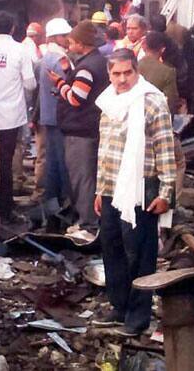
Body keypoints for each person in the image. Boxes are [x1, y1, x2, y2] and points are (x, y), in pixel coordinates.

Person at [92, 48, 176, 337]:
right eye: (116, 74)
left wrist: (166, 192)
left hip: (141, 188)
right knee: (112, 248)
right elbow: (105, 150)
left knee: (140, 254)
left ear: (137, 72)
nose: (122, 79)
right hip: (111, 188)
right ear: (109, 74)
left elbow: (165, 150)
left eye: (128, 72)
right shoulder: (108, 102)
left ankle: (138, 316)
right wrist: (99, 190)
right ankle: (119, 307)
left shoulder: (151, 103)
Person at [49, 20, 109, 231]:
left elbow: (76, 98)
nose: (69, 46)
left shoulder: (86, 68)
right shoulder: (99, 62)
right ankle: (92, 219)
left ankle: (88, 224)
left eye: (72, 43)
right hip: (92, 127)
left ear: (82, 44)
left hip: (80, 131)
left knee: (82, 178)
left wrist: (59, 83)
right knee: (90, 176)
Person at [0, 12, 37, 223]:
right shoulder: (20, 50)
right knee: (6, 159)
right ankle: (6, 210)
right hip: (11, 112)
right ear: (13, 28)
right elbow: (30, 83)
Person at [37, 18, 73, 228]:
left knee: (53, 163)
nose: (68, 39)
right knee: (61, 164)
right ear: (56, 37)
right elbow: (64, 87)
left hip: (49, 115)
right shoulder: (59, 58)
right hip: (59, 116)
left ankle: (52, 205)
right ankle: (61, 207)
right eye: (64, 35)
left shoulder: (46, 56)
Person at [138, 33, 180, 114]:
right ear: (162, 49)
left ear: (143, 46)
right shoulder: (168, 72)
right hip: (156, 116)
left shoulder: (133, 66)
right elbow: (170, 103)